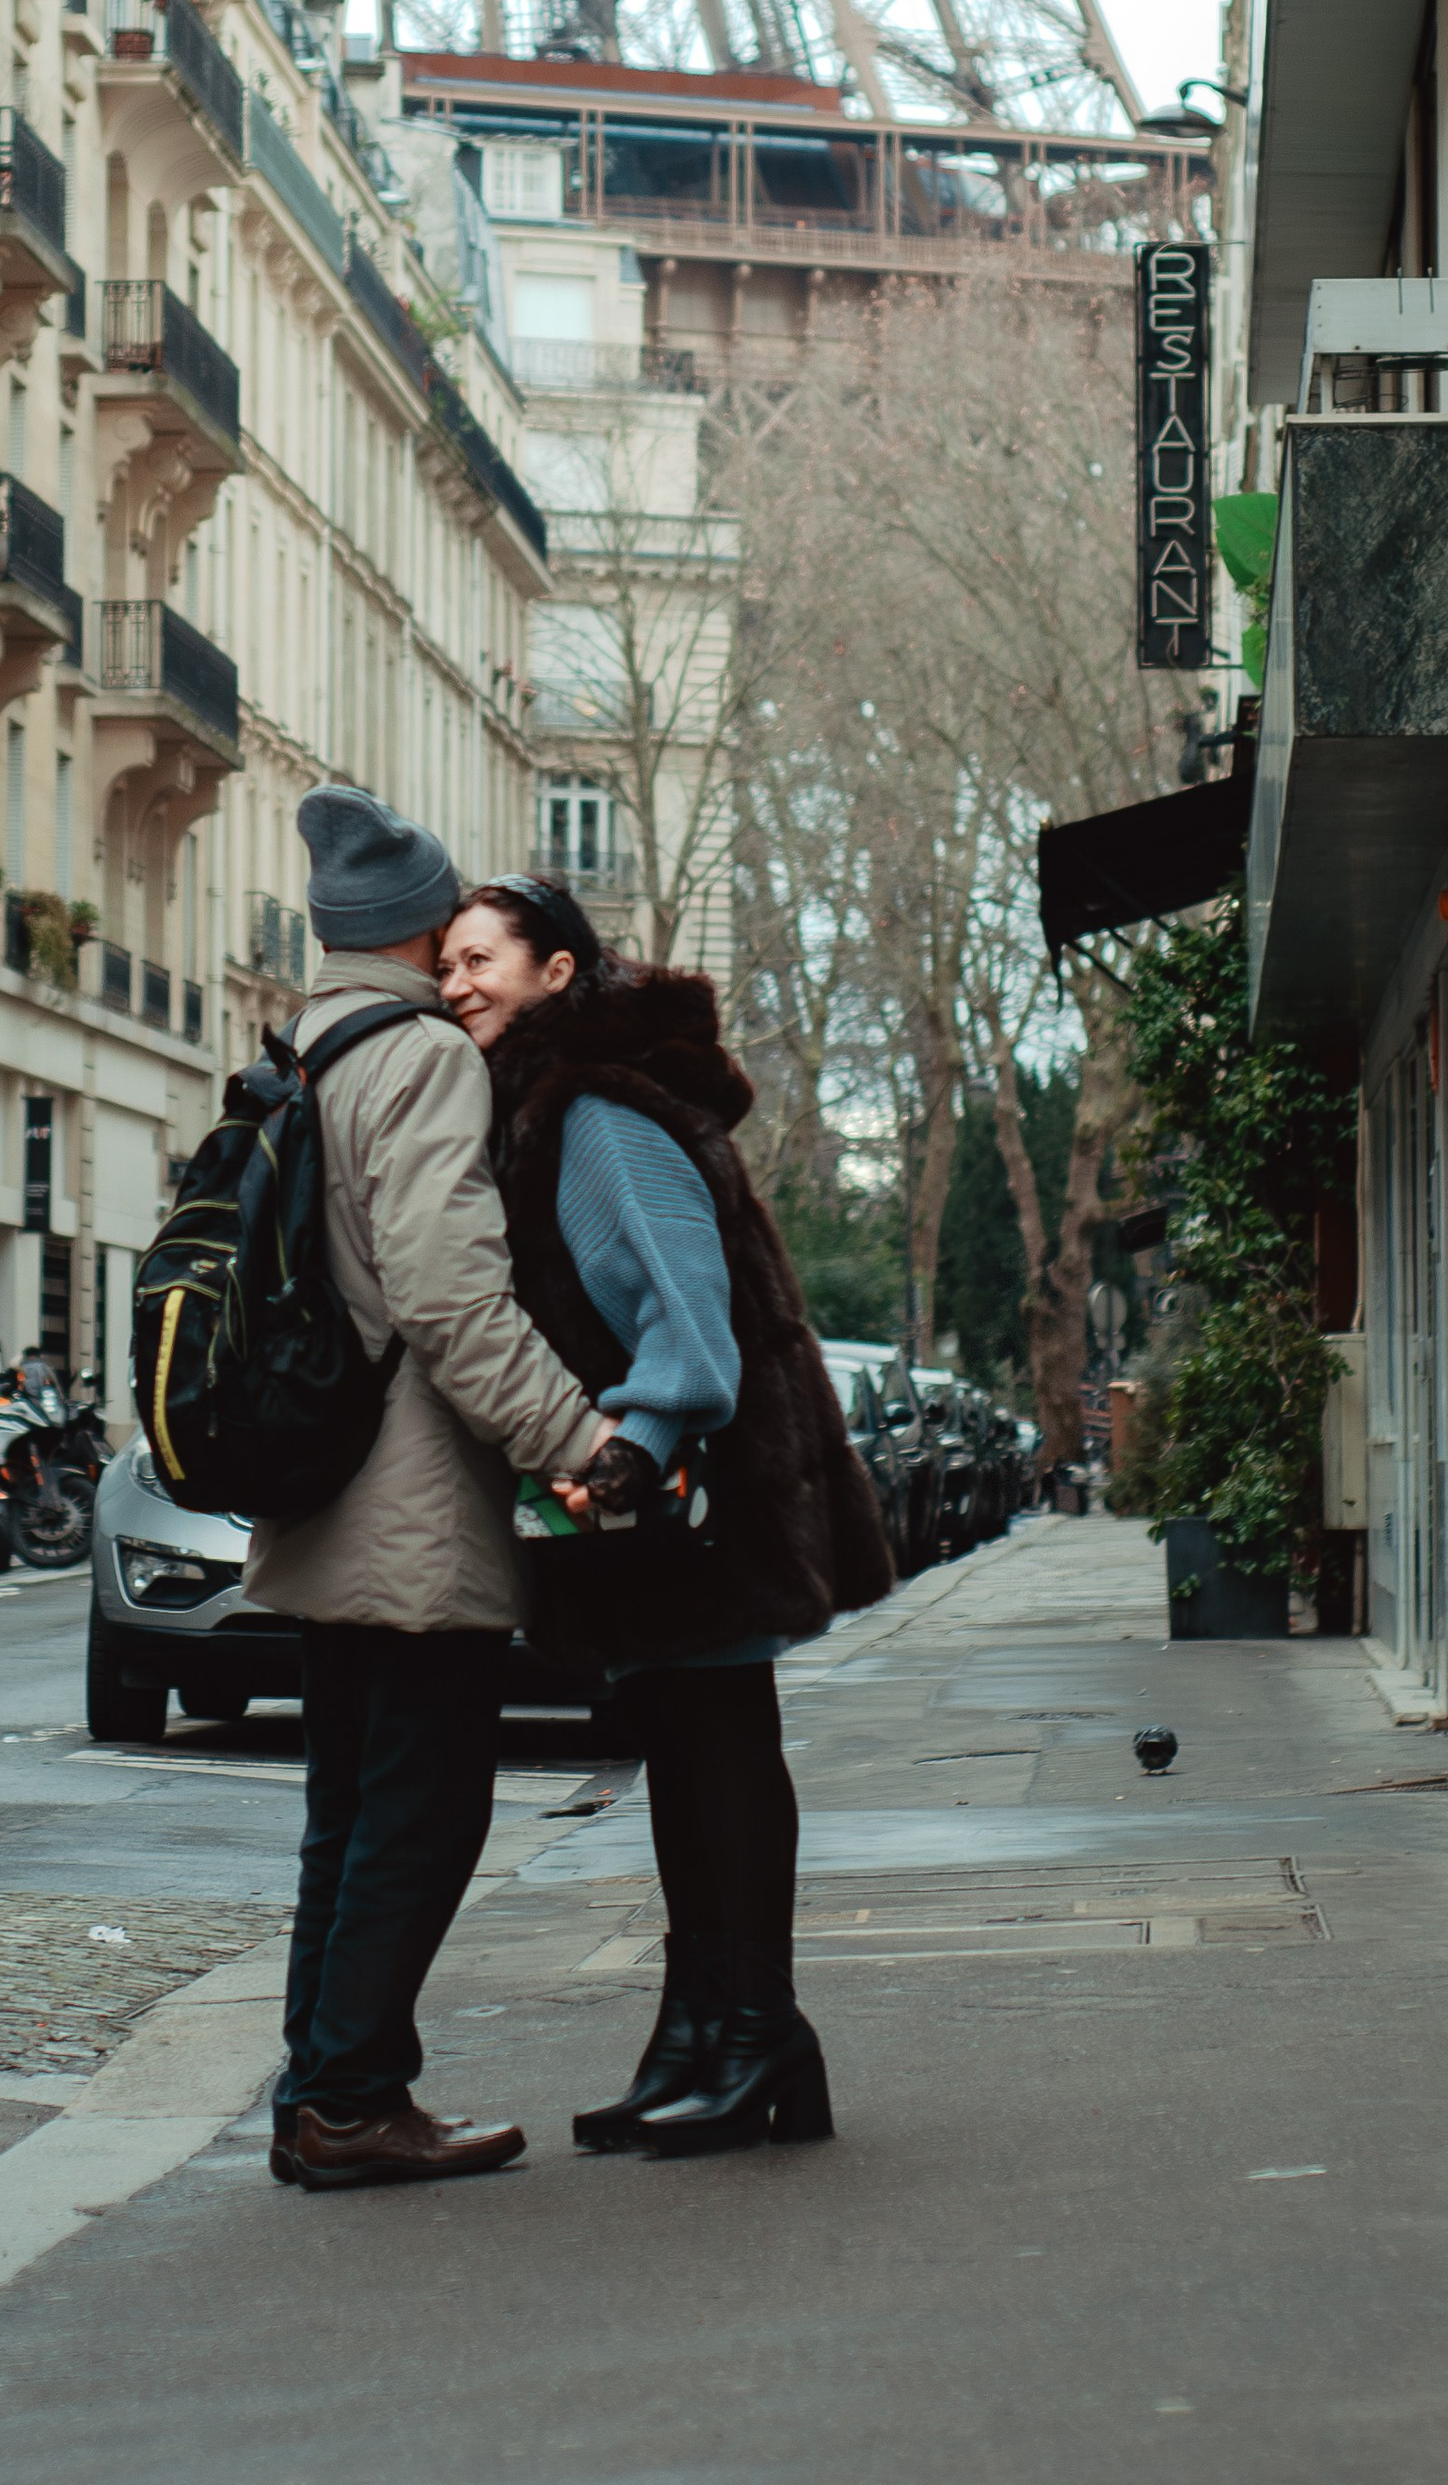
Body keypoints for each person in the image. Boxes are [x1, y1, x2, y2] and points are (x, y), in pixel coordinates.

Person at [440, 875, 892, 2156]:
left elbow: (688, 1322)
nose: (457, 984)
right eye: (446, 966)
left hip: (699, 1494)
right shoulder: (548, 1100)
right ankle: (705, 2032)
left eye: (481, 961)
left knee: (720, 1753)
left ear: (557, 972)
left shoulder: (595, 1108)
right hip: (665, 1502)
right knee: (691, 1757)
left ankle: (754, 2036)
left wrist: (633, 1447)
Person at [242, 786, 616, 2194]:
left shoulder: (305, 1048)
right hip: (408, 1500)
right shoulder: (422, 1056)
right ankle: (350, 2099)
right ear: (418, 924)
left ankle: (322, 2093)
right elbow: (452, 1295)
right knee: (424, 1810)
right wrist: (578, 1440)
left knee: (348, 1813)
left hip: (321, 1488)